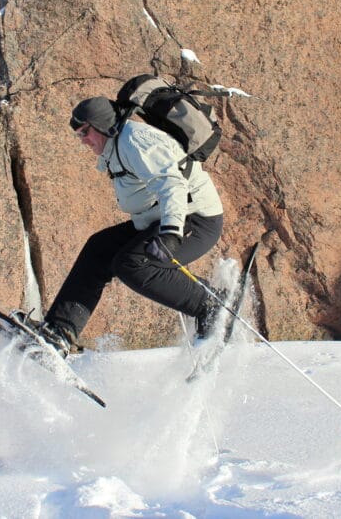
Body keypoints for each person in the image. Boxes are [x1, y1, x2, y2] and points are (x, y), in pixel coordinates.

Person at [26, 95, 226, 357]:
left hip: (195, 218)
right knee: (99, 249)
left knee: (133, 265)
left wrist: (171, 233)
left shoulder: (136, 141)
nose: (82, 140)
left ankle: (211, 306)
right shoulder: (116, 144)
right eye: (78, 135)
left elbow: (172, 185)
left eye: (85, 132)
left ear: (101, 124)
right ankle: (59, 332)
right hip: (162, 218)